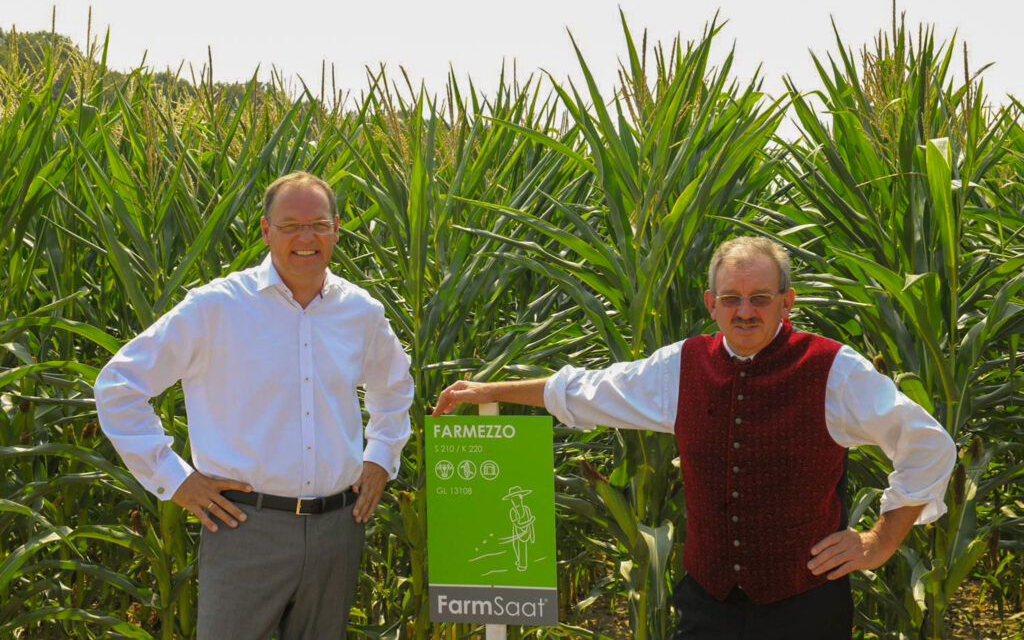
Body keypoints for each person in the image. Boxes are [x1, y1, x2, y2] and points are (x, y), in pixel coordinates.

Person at [433, 236, 956, 639]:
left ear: (786, 301)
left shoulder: (832, 369)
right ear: (711, 303)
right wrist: (490, 389)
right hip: (707, 603)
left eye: (759, 298)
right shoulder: (683, 367)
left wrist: (880, 540)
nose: (745, 310)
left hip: (804, 605)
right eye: (731, 298)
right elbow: (589, 391)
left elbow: (927, 443)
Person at [95, 171, 414, 639]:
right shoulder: (216, 307)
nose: (307, 238)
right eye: (290, 226)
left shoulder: (360, 312)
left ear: (337, 228)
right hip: (245, 527)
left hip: (337, 532)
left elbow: (394, 387)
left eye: (319, 224)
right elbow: (118, 385)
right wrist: (176, 480)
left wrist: (381, 459)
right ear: (266, 231)